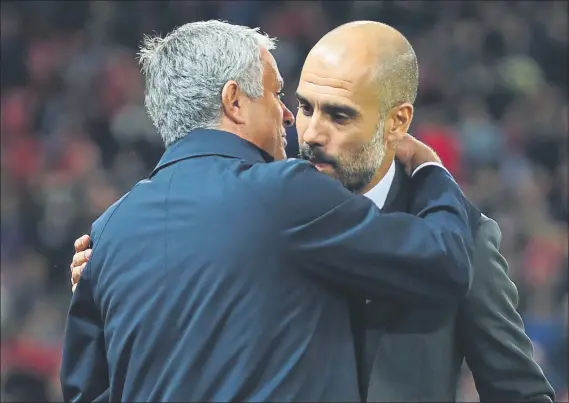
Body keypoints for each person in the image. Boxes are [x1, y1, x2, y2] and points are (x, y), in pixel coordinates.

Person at [60, 20, 479, 402]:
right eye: (277, 92)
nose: (287, 115)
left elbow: (86, 393)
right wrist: (429, 169)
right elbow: (444, 261)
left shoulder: (109, 232)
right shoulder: (285, 194)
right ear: (234, 101)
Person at [294, 21, 555, 402]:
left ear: (397, 121)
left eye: (339, 115)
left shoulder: (466, 237)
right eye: (305, 107)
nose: (312, 133)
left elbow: (520, 393)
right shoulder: (270, 210)